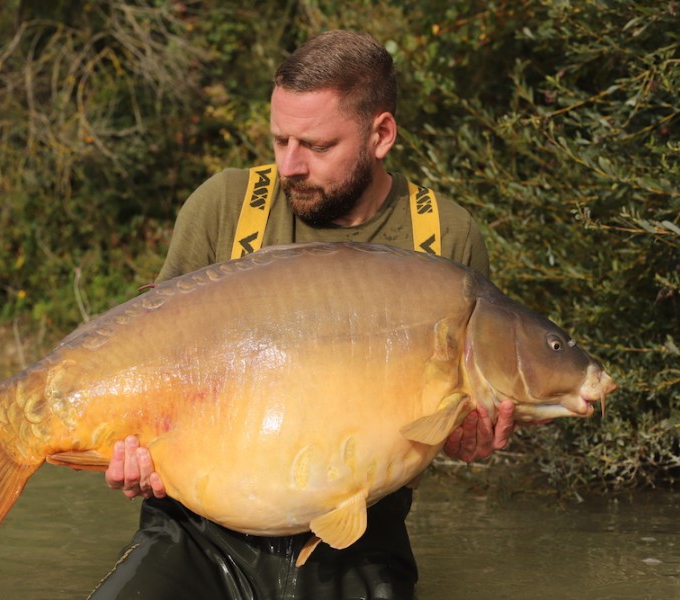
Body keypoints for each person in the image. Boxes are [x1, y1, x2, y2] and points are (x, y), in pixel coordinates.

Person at [89, 30, 515, 600]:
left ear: (381, 134)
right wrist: (133, 454)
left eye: (315, 145)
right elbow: (151, 359)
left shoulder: (443, 237)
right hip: (196, 534)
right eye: (279, 139)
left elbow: (447, 422)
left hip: (357, 541)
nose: (290, 164)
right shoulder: (224, 207)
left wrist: (470, 439)